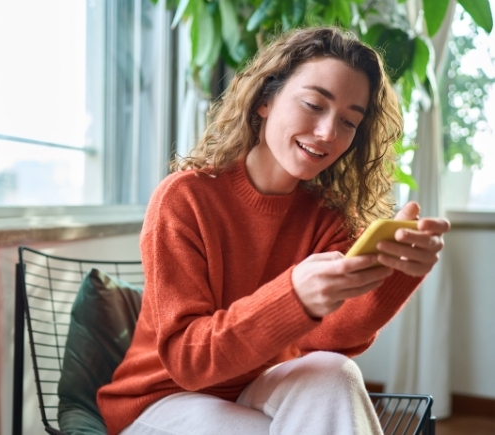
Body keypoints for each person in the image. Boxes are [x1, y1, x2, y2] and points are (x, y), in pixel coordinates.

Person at [97, 26, 450, 435]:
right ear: (265, 100)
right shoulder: (184, 199)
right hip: (162, 398)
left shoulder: (325, 218)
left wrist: (398, 270)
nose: (328, 134)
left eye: (349, 122)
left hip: (255, 387)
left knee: (334, 372)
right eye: (314, 104)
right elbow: (188, 362)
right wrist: (293, 295)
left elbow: (329, 342)